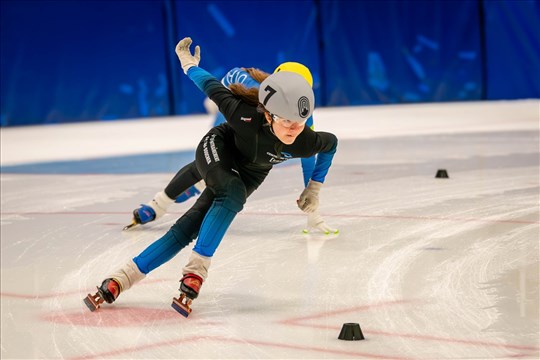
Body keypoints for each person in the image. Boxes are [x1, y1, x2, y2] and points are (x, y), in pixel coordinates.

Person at [84, 37, 338, 317]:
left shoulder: (305, 137)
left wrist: (313, 188)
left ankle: (120, 279)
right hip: (218, 147)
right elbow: (213, 87)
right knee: (230, 191)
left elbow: (330, 145)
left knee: (187, 228)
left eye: (300, 122)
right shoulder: (245, 113)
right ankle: (195, 269)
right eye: (286, 120)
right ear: (268, 114)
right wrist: (188, 64)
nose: (293, 129)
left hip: (250, 172)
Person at [128, 63, 338, 235]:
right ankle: (158, 205)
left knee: (212, 173)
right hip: (235, 127)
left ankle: (181, 194)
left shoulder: (302, 113)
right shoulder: (248, 82)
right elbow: (224, 83)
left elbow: (308, 157)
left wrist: (313, 207)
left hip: (257, 150)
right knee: (202, 165)